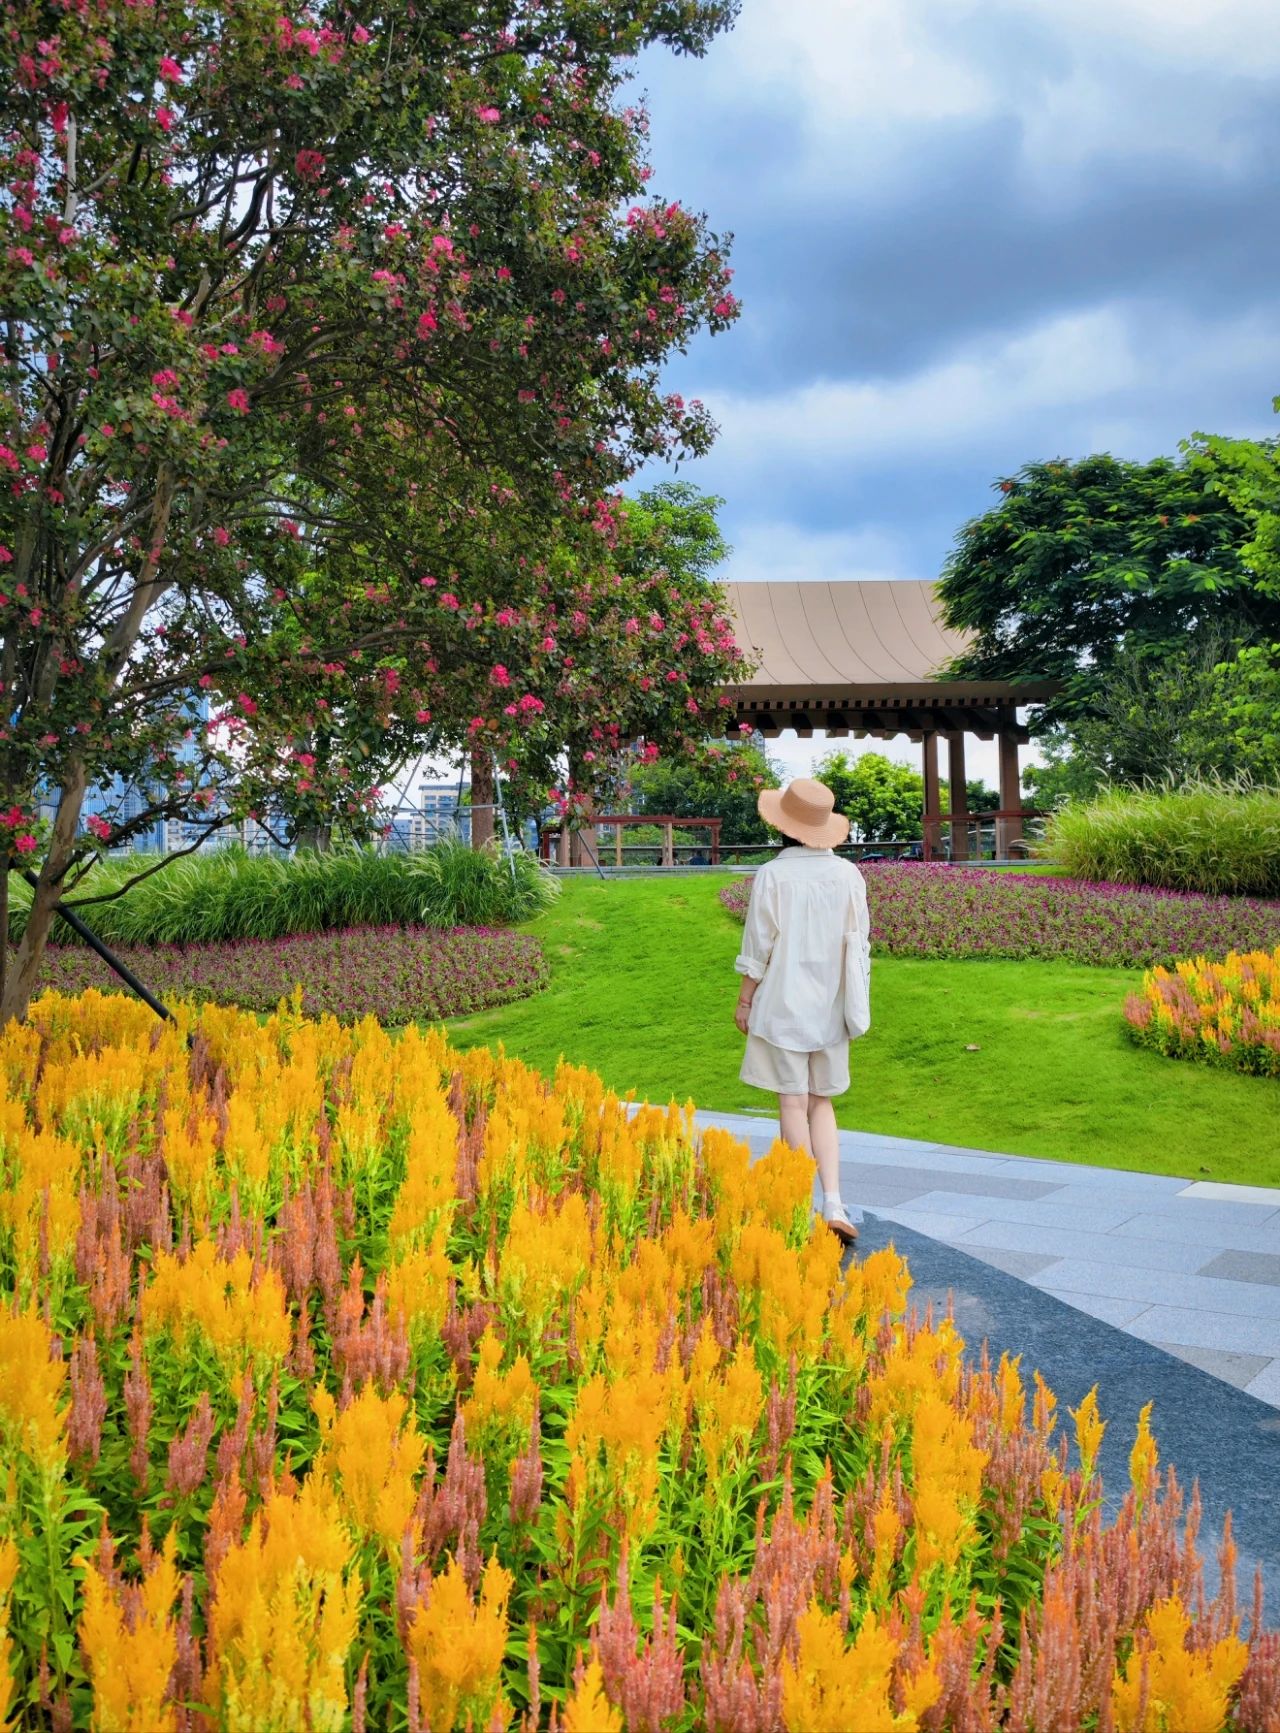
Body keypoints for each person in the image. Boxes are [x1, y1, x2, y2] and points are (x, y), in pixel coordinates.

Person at [733, 776, 869, 1246]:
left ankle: (802, 1203)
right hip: (832, 1007)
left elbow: (758, 948)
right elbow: (860, 945)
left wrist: (745, 998)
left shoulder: (772, 875)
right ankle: (834, 1201)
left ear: (783, 827)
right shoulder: (849, 875)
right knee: (822, 1102)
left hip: (783, 1005)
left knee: (792, 1102)